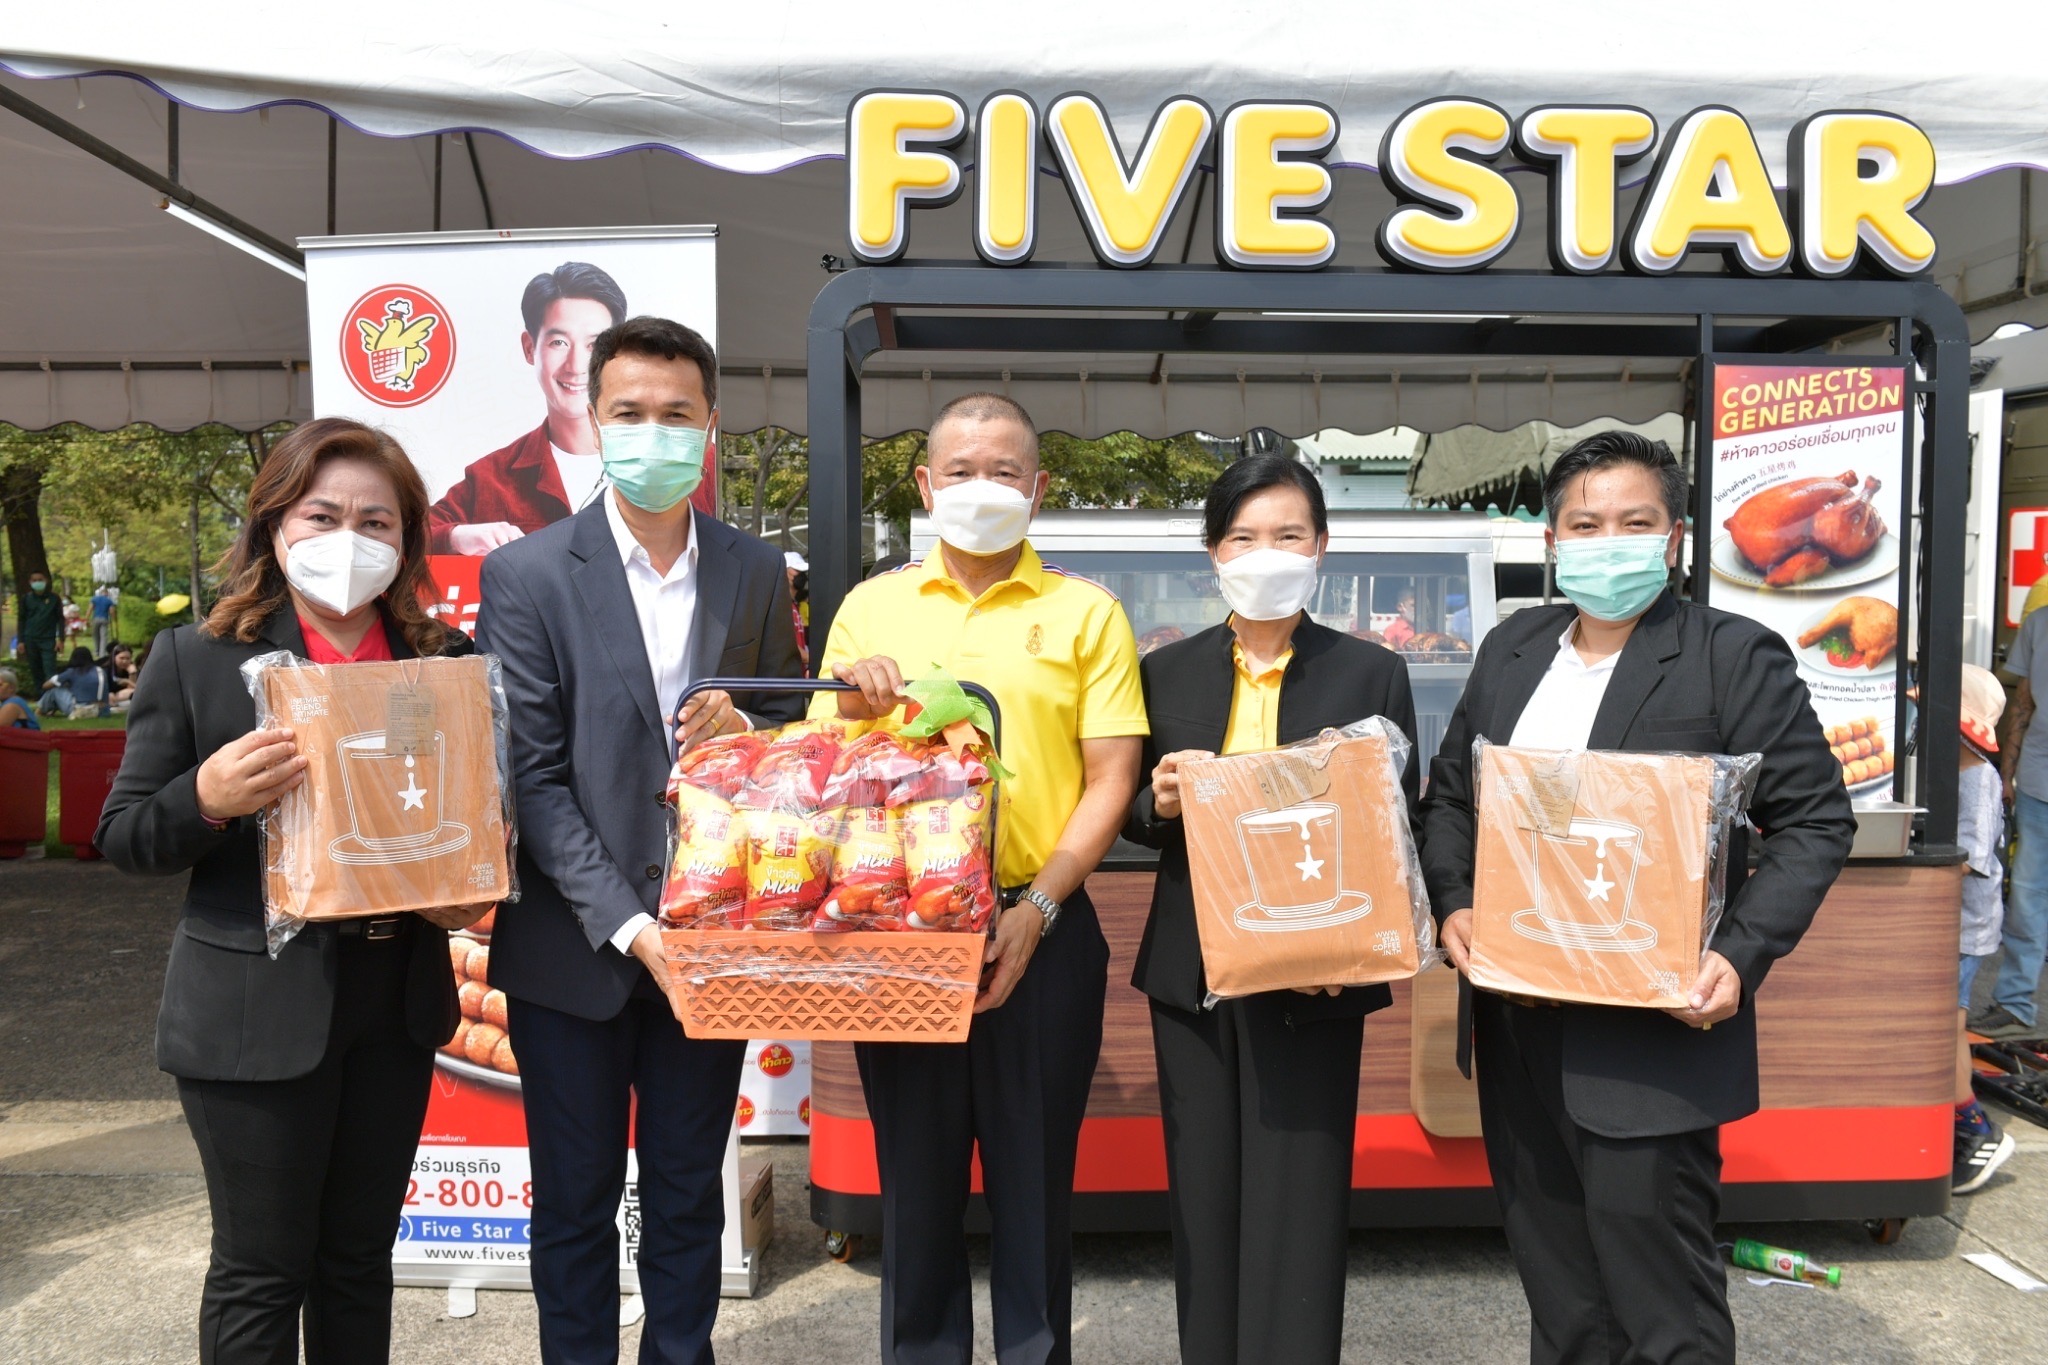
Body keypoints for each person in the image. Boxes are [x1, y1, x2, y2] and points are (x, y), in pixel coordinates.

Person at [1419, 431, 1854, 1365]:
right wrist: (1453, 901)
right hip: (1517, 1020)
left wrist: (1736, 956)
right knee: (1561, 1290)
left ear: (1673, 539)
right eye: (1584, 522)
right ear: (1551, 542)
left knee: (1665, 1304)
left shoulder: (1730, 654)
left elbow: (1816, 822)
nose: (1606, 539)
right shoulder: (1513, 648)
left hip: (1651, 1033)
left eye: (1633, 521)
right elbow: (1454, 795)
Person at [95, 418, 492, 1364]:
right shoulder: (200, 659)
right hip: (252, 1011)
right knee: (262, 1267)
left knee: (359, 1259)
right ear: (275, 523)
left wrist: (470, 878)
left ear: (404, 542)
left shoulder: (436, 666)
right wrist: (209, 797)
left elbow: (466, 825)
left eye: (377, 520)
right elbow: (124, 835)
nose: (348, 537)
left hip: (395, 1004)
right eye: (322, 513)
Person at [476, 314, 804, 1365]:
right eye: (629, 413)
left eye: (675, 415)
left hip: (714, 945)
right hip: (575, 951)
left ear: (709, 427)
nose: (651, 433)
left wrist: (752, 728)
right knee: (571, 1207)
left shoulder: (754, 571)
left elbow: (789, 732)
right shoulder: (527, 575)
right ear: (591, 415)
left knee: (682, 1196)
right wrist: (627, 924)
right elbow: (527, 773)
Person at [816, 391, 1147, 1365]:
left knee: (1034, 1192)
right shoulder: (867, 610)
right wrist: (853, 703)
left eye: (1003, 472)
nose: (981, 488)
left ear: (1038, 489)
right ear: (924, 485)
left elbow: (1111, 779)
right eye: (960, 471)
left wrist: (1039, 907)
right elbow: (826, 779)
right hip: (898, 935)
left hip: (1038, 931)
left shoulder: (1085, 614)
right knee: (912, 1197)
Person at [1124, 454, 1418, 1365]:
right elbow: (1128, 808)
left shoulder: (1371, 671)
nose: (1268, 552)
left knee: (1301, 1194)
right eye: (1246, 536)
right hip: (1195, 967)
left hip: (1317, 968)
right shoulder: (1163, 671)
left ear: (1321, 546)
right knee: (1204, 1196)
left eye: (1289, 534)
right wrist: (1160, 802)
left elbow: (1399, 818)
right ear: (1213, 553)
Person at [428, 261, 630, 555]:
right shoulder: (491, 478)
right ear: (528, 347)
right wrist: (456, 537)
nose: (576, 367)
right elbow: (408, 537)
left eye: (594, 345)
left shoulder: (675, 463)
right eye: (559, 342)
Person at [1951, 664, 2017, 1192]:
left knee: (1948, 1030)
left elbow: (1970, 858)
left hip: (1964, 927)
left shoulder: (1977, 780)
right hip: (1957, 926)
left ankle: (1975, 1128)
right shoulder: (1960, 774)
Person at [1982, 597, 2048, 1040]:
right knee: (2026, 897)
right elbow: (2022, 704)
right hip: (2039, 782)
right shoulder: (2039, 623)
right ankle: (2015, 1003)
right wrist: (2006, 773)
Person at [19, 568, 61, 692]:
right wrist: (21, 640)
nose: (38, 582)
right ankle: (41, 699)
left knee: (50, 669)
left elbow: (61, 619)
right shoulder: (26, 598)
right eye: (35, 580)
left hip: (48, 639)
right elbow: (21, 620)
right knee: (35, 669)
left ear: (46, 580)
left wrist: (61, 638)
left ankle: (52, 698)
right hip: (30, 638)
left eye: (40, 580)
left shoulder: (54, 598)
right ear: (30, 582)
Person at [39, 645, 109, 716]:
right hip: (103, 710)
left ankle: (39, 712)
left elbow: (46, 686)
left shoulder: (72, 672)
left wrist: (63, 684)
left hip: (80, 709)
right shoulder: (100, 670)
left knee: (54, 691)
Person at [106, 643, 138, 708]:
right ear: (114, 657)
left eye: (128, 658)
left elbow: (134, 689)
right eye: (121, 658)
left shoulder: (130, 669)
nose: (125, 661)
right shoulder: (106, 670)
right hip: (110, 697)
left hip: (123, 696)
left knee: (135, 693)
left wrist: (132, 674)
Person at [91, 584, 114, 656]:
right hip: (104, 619)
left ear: (100, 593)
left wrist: (86, 618)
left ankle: (97, 650)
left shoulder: (95, 599)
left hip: (96, 618)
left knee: (95, 635)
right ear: (107, 593)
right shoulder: (109, 601)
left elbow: (90, 608)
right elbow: (111, 611)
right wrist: (113, 619)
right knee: (103, 636)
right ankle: (102, 653)